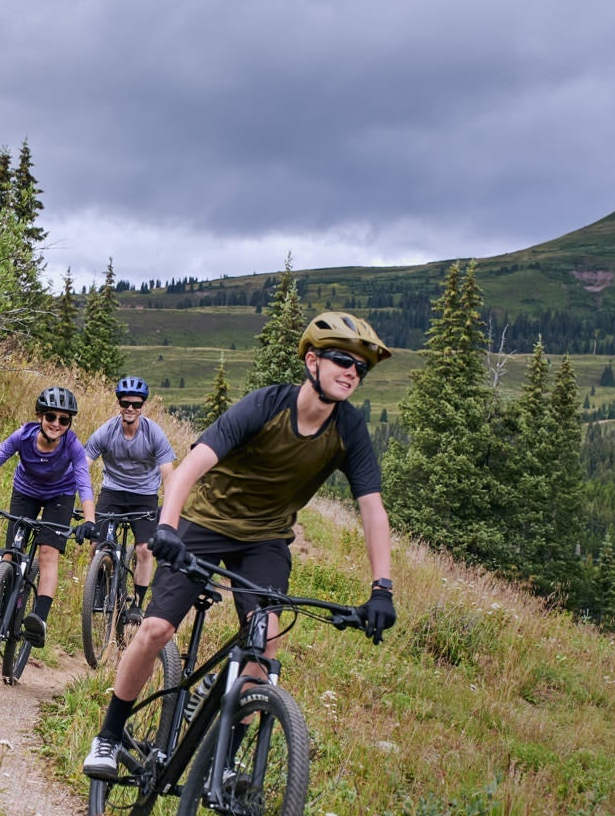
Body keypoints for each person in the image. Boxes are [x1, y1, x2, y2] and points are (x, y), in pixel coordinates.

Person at [83, 312, 399, 780]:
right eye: (341, 360)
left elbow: (372, 510)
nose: (352, 372)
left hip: (266, 538)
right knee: (156, 630)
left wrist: (382, 588)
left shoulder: (348, 430)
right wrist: (167, 528)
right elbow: (189, 470)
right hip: (204, 522)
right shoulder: (266, 405)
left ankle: (225, 762)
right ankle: (108, 736)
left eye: (360, 367)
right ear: (312, 360)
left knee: (265, 641)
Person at [0, 386, 96, 647]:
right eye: (51, 417)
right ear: (40, 416)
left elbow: (84, 483)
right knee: (10, 553)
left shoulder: (72, 445)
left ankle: (38, 620)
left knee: (48, 553)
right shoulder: (23, 436)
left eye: (64, 420)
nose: (56, 424)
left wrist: (89, 521)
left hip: (60, 496)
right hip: (25, 491)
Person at [83, 375, 176, 624]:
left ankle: (137, 602)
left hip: (144, 495)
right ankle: (100, 585)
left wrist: (168, 508)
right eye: (126, 403)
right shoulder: (106, 431)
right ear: (119, 404)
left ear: (143, 406)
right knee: (96, 545)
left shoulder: (154, 433)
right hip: (113, 492)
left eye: (136, 404)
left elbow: (169, 475)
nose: (131, 408)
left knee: (144, 549)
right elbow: (83, 465)